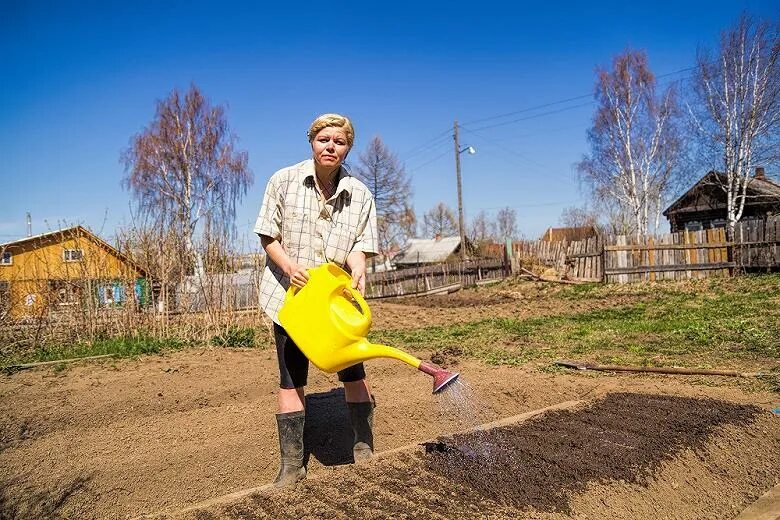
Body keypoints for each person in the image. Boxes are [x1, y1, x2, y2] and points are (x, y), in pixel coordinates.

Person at [254, 113, 379, 487]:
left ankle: (363, 446)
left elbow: (360, 245)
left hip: (334, 301)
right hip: (289, 299)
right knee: (291, 378)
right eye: (324, 139)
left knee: (353, 371)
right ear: (312, 142)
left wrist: (358, 266)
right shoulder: (284, 180)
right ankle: (292, 464)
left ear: (347, 148)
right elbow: (267, 235)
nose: (330, 146)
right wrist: (289, 266)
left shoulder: (360, 194)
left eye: (338, 142)